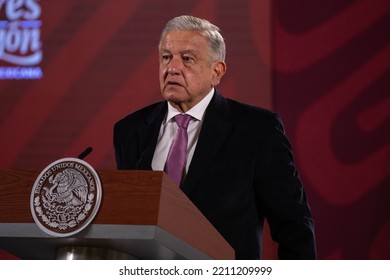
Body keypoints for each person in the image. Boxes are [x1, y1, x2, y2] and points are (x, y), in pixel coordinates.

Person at [114, 15, 316, 260]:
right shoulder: (130, 130)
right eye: (166, 57)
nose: (172, 68)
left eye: (187, 59)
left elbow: (294, 226)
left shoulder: (257, 130)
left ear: (216, 71)